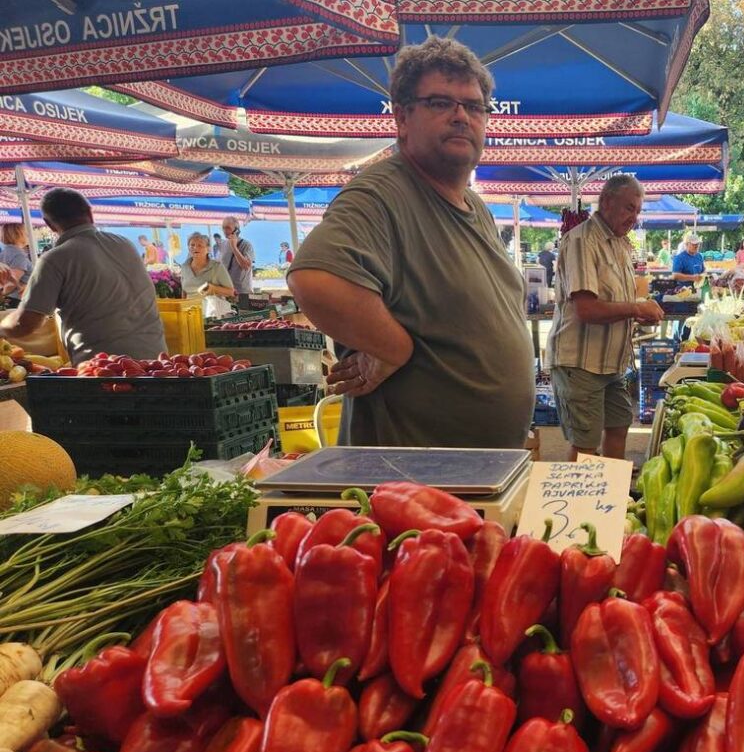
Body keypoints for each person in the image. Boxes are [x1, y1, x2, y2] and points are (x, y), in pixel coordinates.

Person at [287, 36, 535, 449]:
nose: (461, 117)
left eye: (474, 106)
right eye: (441, 103)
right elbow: (314, 278)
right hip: (412, 482)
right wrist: (393, 348)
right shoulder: (383, 193)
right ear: (402, 117)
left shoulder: (474, 204)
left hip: (474, 476)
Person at [549, 174, 664, 461]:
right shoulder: (581, 240)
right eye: (629, 208)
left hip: (611, 364)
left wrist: (637, 310)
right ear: (607, 202)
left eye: (638, 211)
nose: (634, 218)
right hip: (580, 363)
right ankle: (578, 504)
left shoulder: (621, 244)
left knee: (619, 425)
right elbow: (587, 309)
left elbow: (615, 301)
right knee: (585, 444)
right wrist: (637, 309)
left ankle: (613, 493)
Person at [0, 188, 164, 365]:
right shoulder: (124, 244)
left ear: (49, 224)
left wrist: (1, 326)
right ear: (90, 213)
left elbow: (25, 324)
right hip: (156, 361)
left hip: (106, 369)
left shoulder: (55, 259)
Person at [180, 233, 236, 299]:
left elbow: (231, 292)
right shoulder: (184, 267)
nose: (195, 248)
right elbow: (184, 292)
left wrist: (214, 289)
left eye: (200, 245)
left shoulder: (217, 267)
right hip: (190, 308)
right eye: (192, 245)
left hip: (211, 308)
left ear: (208, 249)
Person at [220, 216, 255, 295]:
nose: (225, 231)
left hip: (242, 292)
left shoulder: (246, 245)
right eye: (223, 228)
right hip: (227, 291)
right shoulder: (223, 244)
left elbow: (246, 266)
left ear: (236, 230)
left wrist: (234, 248)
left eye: (228, 228)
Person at [0, 224, 32, 303]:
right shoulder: (18, 254)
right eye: (25, 232)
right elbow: (11, 282)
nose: (27, 235)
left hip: (10, 300)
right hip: (17, 301)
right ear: (19, 234)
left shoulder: (4, 253)